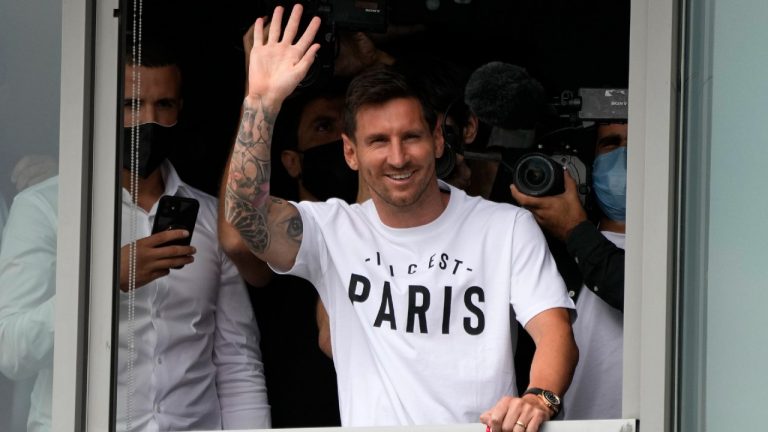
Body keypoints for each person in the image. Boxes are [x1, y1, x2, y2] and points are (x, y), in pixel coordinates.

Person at [225, 5, 578, 431]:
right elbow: (246, 218)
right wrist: (261, 101)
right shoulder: (332, 230)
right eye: (378, 141)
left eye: (410, 136)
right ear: (350, 153)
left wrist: (539, 397)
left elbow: (554, 328)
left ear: (436, 140)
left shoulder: (504, 227)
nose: (397, 157)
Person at [0, 39, 271, 432]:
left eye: (164, 105)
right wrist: (107, 279)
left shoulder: (213, 219)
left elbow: (237, 360)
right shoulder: (46, 208)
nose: (149, 120)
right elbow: (12, 351)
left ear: (180, 110)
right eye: (131, 105)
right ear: (104, 107)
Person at [511, 121, 627, 419]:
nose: (625, 157)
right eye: (612, 144)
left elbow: (634, 291)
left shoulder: (686, 253)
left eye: (637, 143)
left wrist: (575, 229)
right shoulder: (552, 254)